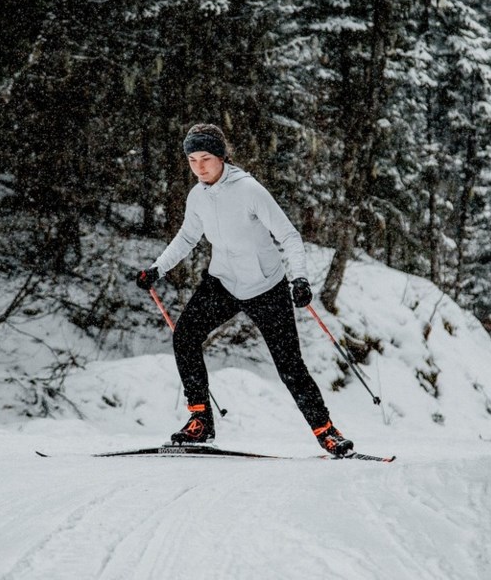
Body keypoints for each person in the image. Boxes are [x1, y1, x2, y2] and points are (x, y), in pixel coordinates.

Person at [135, 123, 353, 456]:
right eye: (192, 160)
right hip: (222, 282)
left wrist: (300, 278)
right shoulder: (197, 196)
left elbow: (290, 237)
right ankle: (200, 421)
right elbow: (187, 237)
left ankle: (327, 431)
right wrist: (157, 268)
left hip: (266, 287)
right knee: (185, 336)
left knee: (289, 365)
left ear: (221, 157)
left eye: (206, 158)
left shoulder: (249, 190)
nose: (199, 167)